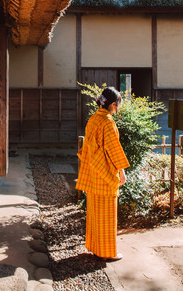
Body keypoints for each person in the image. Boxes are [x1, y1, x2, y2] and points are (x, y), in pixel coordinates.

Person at [76, 86, 130, 261]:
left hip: (93, 171)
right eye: (118, 105)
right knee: (107, 215)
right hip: (105, 173)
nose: (119, 108)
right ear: (113, 104)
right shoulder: (107, 122)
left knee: (95, 213)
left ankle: (94, 247)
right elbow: (113, 149)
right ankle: (107, 252)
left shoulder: (93, 118)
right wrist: (121, 171)